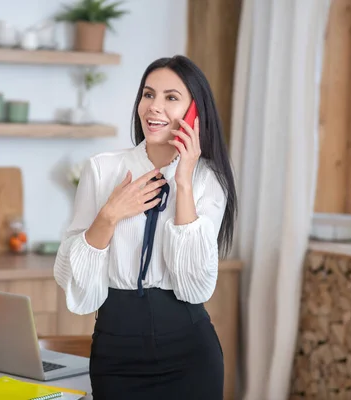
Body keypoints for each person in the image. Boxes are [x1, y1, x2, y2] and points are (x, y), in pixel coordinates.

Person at [53, 55, 237, 399]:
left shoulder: (209, 181)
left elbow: (195, 286)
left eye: (171, 98)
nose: (154, 108)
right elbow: (71, 277)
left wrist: (183, 181)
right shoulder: (102, 170)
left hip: (189, 353)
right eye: (148, 94)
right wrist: (109, 215)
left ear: (194, 113)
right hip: (115, 351)